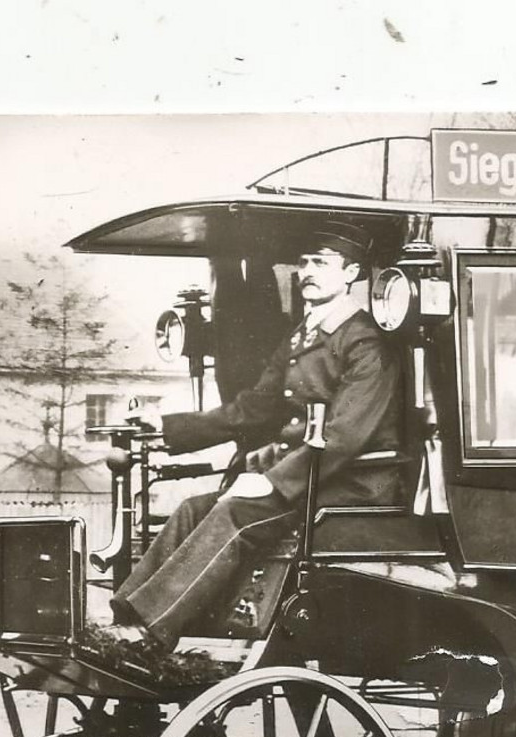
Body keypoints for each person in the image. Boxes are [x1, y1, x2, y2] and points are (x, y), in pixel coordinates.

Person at [107, 220, 401, 651]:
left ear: (352, 273)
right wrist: (166, 425)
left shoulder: (366, 343)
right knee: (193, 509)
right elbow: (253, 407)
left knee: (235, 512)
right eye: (303, 262)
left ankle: (151, 631)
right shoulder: (304, 334)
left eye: (321, 262)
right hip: (310, 478)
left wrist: (273, 481)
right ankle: (124, 614)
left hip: (353, 486)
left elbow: (344, 437)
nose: (307, 271)